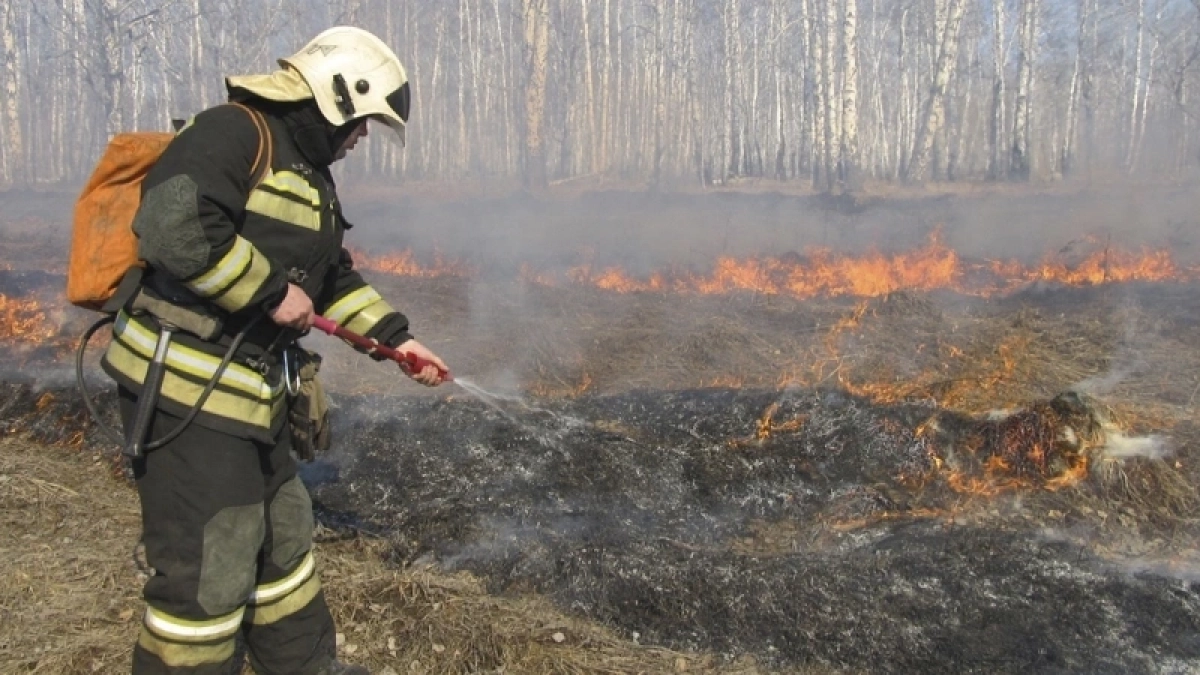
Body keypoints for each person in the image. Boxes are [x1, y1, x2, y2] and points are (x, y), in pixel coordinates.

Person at [100, 26, 446, 675]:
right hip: (189, 395)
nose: (362, 138)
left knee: (284, 544)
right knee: (209, 568)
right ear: (337, 96)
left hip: (254, 399)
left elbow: (328, 276)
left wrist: (397, 340)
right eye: (362, 122)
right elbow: (171, 222)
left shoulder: (309, 174)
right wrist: (263, 289)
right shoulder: (233, 132)